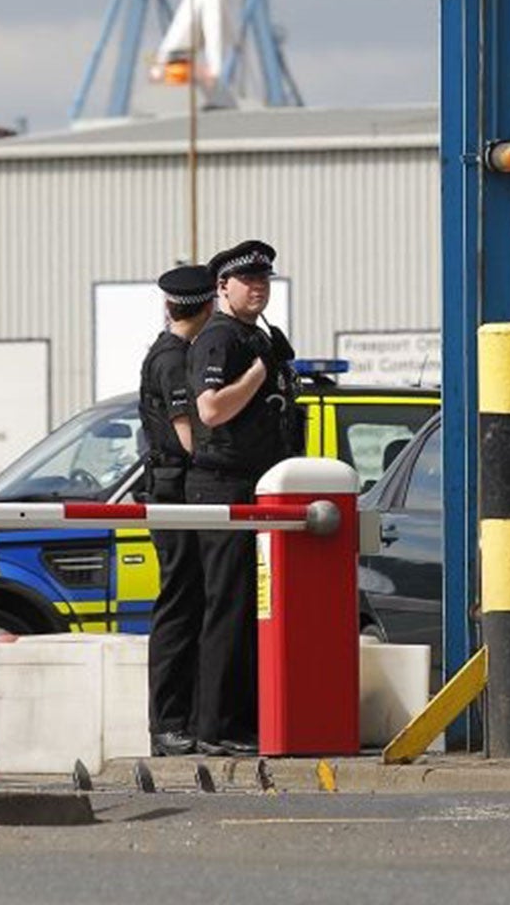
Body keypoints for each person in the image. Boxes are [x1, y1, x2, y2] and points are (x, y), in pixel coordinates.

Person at [184, 239, 299, 756]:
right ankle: (215, 727)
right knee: (228, 608)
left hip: (262, 483)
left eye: (264, 280)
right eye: (247, 280)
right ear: (223, 288)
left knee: (259, 610)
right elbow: (210, 411)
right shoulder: (220, 340)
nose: (258, 287)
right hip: (224, 485)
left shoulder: (260, 336)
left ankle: (248, 719)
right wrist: (257, 372)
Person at [137, 264, 213, 757]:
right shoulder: (174, 360)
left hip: (173, 490)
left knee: (189, 605)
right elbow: (189, 439)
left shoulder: (167, 352)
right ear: (207, 308)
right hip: (174, 492)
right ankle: (168, 723)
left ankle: (181, 719)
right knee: (180, 608)